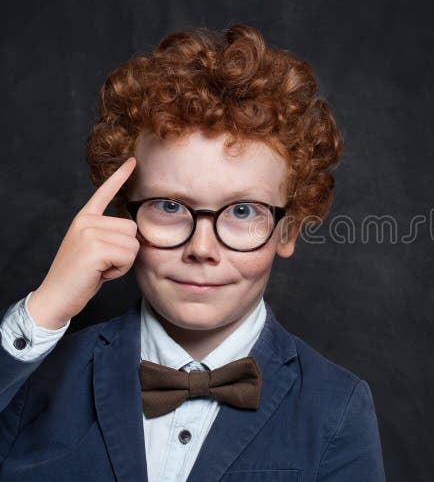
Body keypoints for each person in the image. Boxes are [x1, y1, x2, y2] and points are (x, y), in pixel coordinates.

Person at [0, 24, 386, 481]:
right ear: (126, 217)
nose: (202, 248)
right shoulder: (36, 377)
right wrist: (44, 310)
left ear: (288, 230)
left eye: (243, 211)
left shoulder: (337, 409)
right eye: (169, 206)